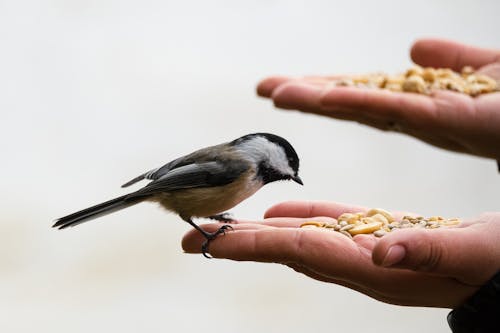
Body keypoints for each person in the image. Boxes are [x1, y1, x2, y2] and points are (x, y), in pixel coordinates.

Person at [182, 38, 500, 332]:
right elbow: (188, 179)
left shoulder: (246, 165)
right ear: (270, 156)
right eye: (288, 171)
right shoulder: (241, 165)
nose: (289, 177)